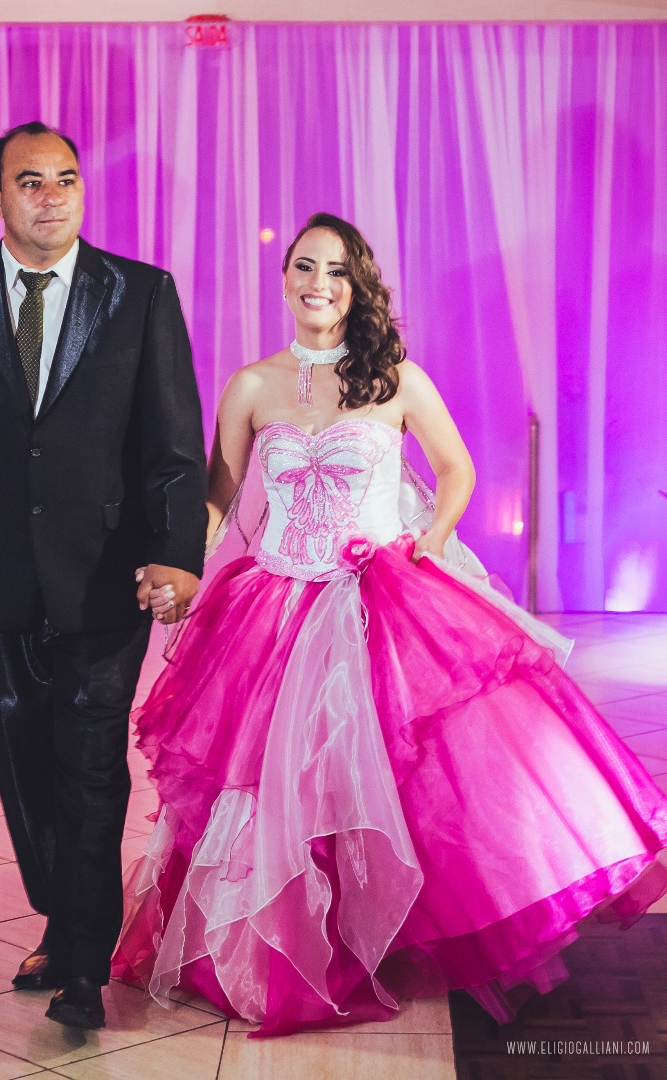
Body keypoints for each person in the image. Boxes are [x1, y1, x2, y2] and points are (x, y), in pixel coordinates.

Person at [111, 212, 667, 1037]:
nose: (318, 284)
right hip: (272, 605)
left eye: (336, 271)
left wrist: (431, 539)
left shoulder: (395, 377)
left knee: (389, 776)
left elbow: (454, 467)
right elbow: (219, 497)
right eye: (305, 267)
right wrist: (182, 563)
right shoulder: (251, 385)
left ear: (356, 285)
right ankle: (280, 946)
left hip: (376, 595)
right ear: (284, 279)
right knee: (273, 782)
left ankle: (387, 932)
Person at [0, 121, 207, 1031]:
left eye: (66, 179)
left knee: (90, 763)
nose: (52, 196)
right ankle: (63, 920)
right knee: (23, 762)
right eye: (31, 182)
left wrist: (177, 554)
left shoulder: (139, 292)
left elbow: (175, 444)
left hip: (107, 576)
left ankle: (84, 963)